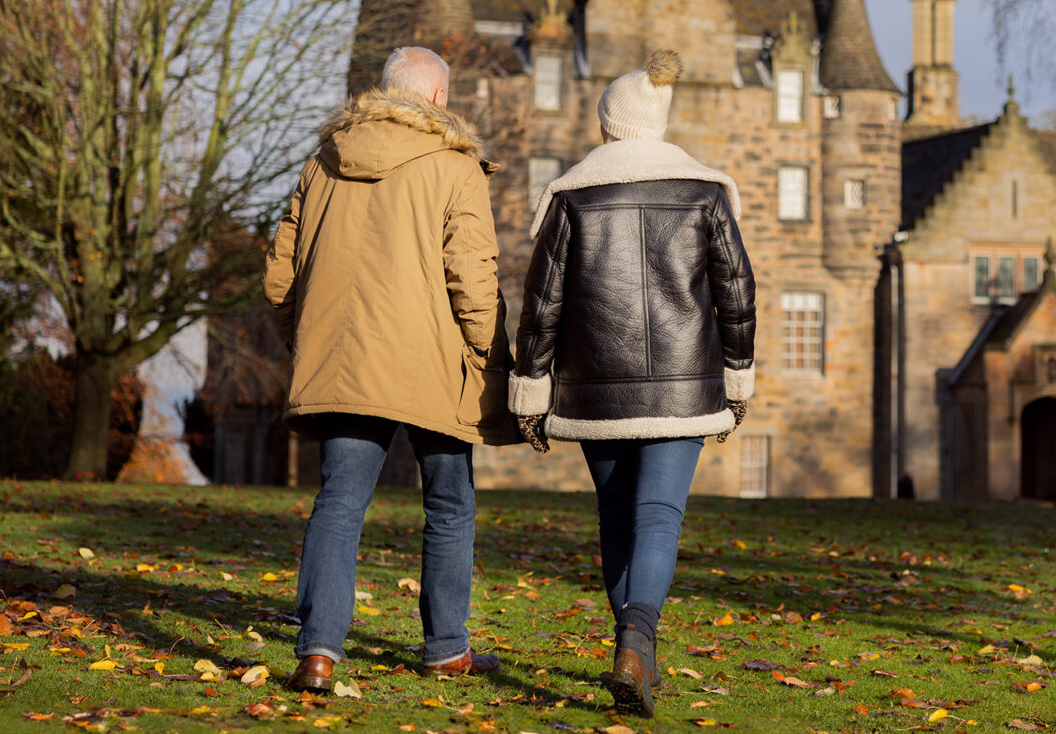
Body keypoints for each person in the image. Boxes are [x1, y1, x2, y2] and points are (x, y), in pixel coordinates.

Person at [510, 49, 755, 718]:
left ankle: (633, 652)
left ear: (608, 125)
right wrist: (738, 378)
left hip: (594, 389)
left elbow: (541, 304)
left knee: (617, 518)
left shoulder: (573, 196)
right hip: (683, 387)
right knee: (657, 516)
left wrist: (530, 389)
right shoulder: (704, 193)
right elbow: (735, 291)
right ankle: (636, 644)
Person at [263, 46, 516, 692]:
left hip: (344, 362)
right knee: (451, 504)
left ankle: (317, 651)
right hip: (432, 364)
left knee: (340, 502)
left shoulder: (323, 162)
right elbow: (474, 280)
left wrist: (309, 341)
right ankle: (445, 647)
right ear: (437, 100)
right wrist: (489, 357)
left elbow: (279, 278)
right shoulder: (455, 167)